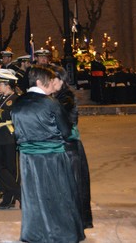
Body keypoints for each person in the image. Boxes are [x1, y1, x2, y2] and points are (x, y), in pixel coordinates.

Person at [11, 65, 84, 242]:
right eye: (50, 81)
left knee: (34, 197)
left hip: (28, 159)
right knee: (58, 196)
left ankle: (35, 233)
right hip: (52, 158)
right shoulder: (50, 103)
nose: (53, 84)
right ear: (40, 82)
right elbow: (66, 132)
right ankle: (60, 234)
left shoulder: (18, 102)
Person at [51, 65, 93, 230]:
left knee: (72, 186)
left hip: (69, 148)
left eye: (52, 79)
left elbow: (65, 123)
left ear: (60, 80)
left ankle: (74, 223)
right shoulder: (57, 96)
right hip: (63, 146)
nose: (49, 82)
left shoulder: (66, 98)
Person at [0, 68, 20, 209]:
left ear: (8, 84)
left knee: (10, 168)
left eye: (0, 83)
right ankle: (18, 194)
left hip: (8, 136)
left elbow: (10, 117)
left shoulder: (16, 99)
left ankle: (10, 198)